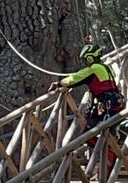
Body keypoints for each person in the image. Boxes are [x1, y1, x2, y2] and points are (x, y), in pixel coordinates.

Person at [49, 42, 124, 171]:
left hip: (105, 106)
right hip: (114, 104)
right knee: (106, 134)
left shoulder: (93, 69)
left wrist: (59, 83)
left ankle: (111, 157)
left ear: (89, 57)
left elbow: (74, 78)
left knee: (88, 135)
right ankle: (109, 163)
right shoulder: (105, 67)